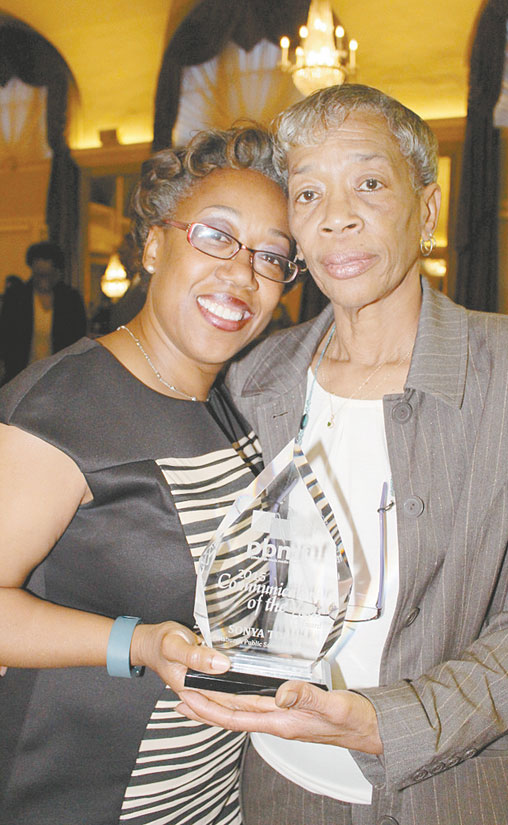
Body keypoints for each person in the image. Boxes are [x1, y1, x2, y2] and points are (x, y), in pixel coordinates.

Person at [176, 85, 508, 825]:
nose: (337, 214)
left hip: (460, 790)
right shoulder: (254, 379)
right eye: (309, 192)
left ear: (429, 210)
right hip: (279, 784)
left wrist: (395, 722)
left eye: (369, 183)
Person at [0, 125, 299, 825]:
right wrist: (135, 641)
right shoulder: (61, 406)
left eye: (272, 257)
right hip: (86, 791)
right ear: (156, 243)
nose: (242, 274)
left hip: (216, 788)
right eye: (216, 236)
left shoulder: (237, 400)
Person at [0, 241, 87, 383]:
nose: (43, 281)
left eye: (47, 276)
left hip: (59, 377)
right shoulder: (16, 298)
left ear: (57, 272)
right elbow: (5, 337)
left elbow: (78, 339)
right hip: (21, 376)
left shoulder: (70, 300)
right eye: (39, 276)